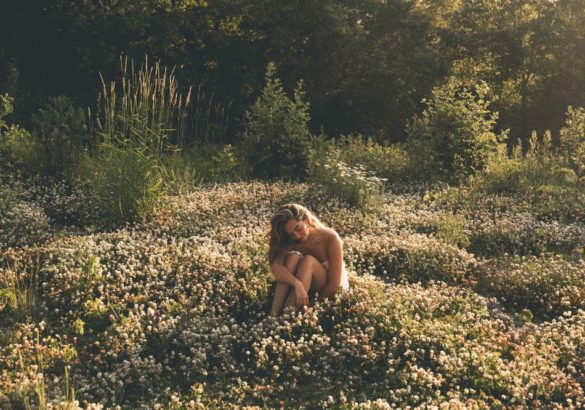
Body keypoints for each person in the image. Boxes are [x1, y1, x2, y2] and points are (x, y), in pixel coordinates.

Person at [267, 203, 350, 317]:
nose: (297, 236)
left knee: (308, 261)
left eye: (298, 228)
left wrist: (311, 308)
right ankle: (274, 315)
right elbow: (276, 267)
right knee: (293, 258)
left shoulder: (330, 237)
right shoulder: (292, 241)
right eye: (291, 234)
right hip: (305, 288)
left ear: (305, 220)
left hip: (330, 289)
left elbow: (334, 285)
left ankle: (287, 316)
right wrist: (296, 283)